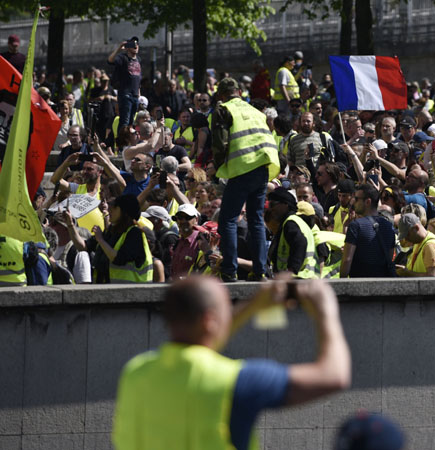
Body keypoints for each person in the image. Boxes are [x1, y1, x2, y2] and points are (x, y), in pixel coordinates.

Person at [112, 275, 351, 449]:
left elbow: (202, 343)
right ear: (209, 320)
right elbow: (335, 375)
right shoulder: (237, 381)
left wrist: (254, 305)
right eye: (228, 307)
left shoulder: (136, 372)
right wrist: (325, 310)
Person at [211, 78, 279, 282]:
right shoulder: (256, 111)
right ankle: (260, 271)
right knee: (256, 220)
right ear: (239, 92)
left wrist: (218, 167)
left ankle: (229, 270)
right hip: (262, 167)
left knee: (228, 220)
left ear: (222, 95)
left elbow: (220, 143)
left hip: (242, 167)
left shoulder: (223, 109)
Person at [340, 183, 396, 278]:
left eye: (357, 199)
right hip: (384, 285)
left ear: (368, 202)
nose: (353, 202)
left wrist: (342, 285)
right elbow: (389, 257)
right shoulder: (388, 226)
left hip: (359, 285)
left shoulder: (356, 225)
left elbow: (347, 260)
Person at [265, 187, 319, 279]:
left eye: (273, 204)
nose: (271, 209)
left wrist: (291, 272)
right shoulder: (293, 221)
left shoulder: (291, 223)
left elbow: (300, 243)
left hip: (298, 279)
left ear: (285, 204)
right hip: (302, 278)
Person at [107, 36, 142, 136]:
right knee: (124, 122)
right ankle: (121, 145)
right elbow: (110, 60)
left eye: (137, 44)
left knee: (131, 123)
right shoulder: (122, 58)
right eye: (132, 44)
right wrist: (119, 47)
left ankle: (128, 144)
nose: (136, 46)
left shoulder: (138, 60)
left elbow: (138, 77)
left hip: (135, 95)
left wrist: (139, 92)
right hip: (125, 94)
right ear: (127, 47)